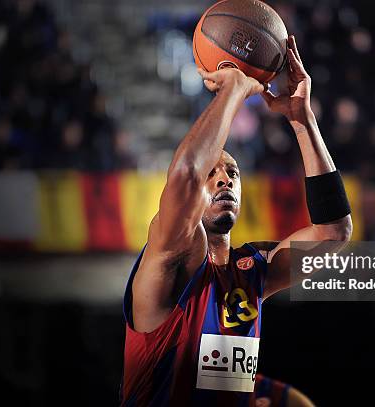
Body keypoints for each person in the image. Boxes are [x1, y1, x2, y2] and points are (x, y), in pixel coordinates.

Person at [121, 35, 352, 407]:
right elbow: (184, 176)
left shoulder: (253, 272)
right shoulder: (169, 255)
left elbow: (334, 231)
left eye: (233, 172)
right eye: (213, 173)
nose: (225, 179)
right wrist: (233, 88)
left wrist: (301, 119)